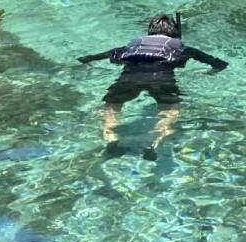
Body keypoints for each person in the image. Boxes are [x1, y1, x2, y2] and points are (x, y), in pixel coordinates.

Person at [77, 12, 228, 158]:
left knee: (111, 107)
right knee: (169, 112)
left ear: (149, 32)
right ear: (174, 34)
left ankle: (111, 138)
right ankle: (155, 142)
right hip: (162, 81)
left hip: (129, 79)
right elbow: (220, 64)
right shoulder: (182, 48)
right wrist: (208, 72)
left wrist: (84, 61)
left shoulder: (130, 47)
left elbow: (90, 58)